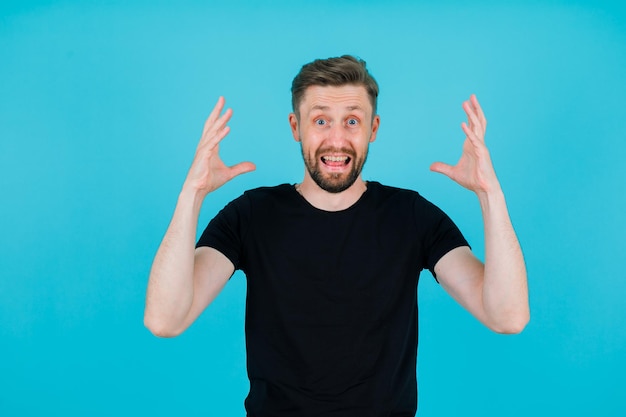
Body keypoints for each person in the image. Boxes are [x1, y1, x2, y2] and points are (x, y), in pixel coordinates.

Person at [144, 55, 529, 416]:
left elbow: (507, 317)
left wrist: (490, 195)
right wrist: (191, 194)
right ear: (296, 127)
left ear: (373, 129)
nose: (337, 139)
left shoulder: (412, 216)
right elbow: (166, 320)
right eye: (321, 120)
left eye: (352, 120)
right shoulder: (251, 215)